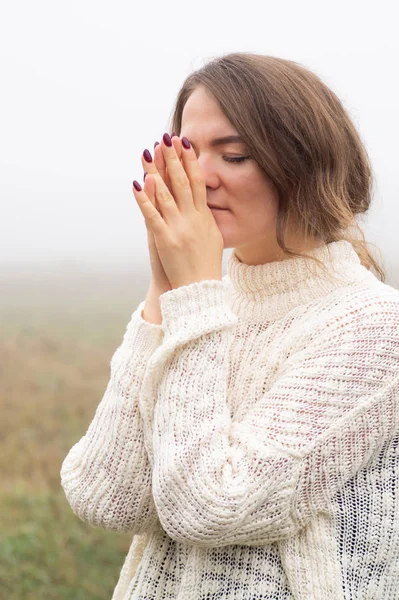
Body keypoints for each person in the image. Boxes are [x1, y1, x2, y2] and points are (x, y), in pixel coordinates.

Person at [60, 53, 399, 599]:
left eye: (234, 154)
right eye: (189, 153)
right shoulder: (205, 307)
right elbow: (108, 494)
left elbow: (211, 506)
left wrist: (193, 295)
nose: (202, 177)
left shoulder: (376, 326)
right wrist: (164, 291)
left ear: (304, 163)